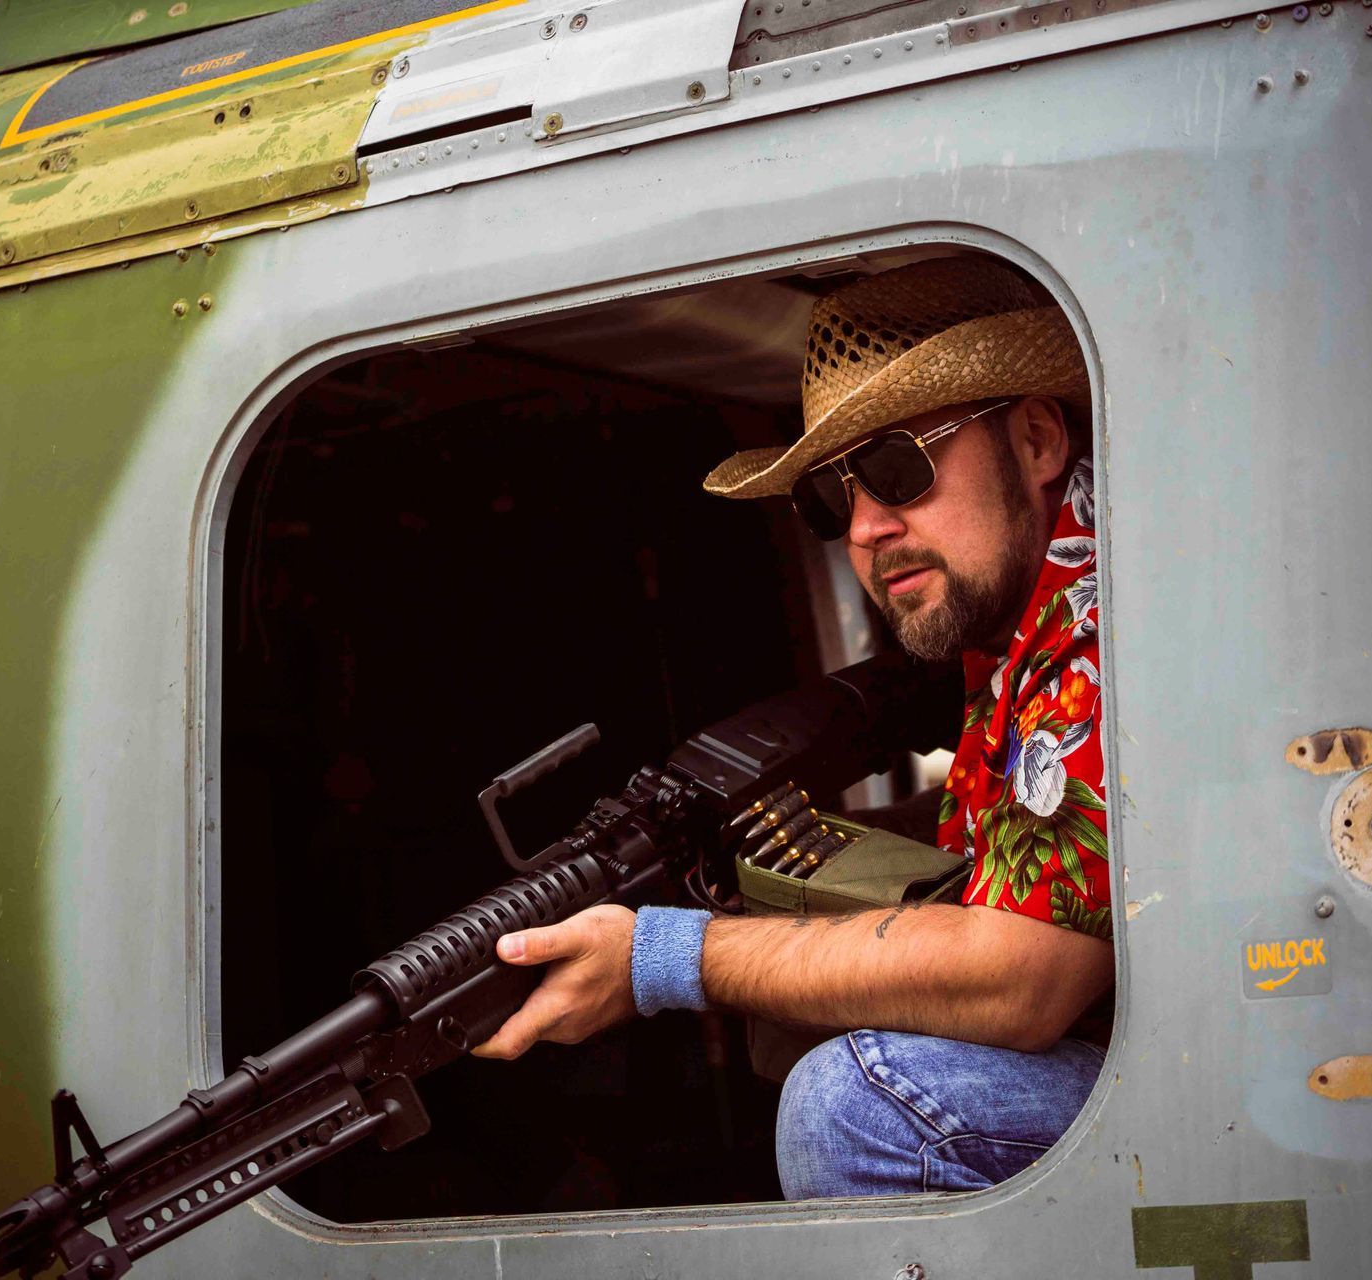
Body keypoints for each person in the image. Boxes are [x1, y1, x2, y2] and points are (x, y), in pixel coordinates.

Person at [471, 256, 1116, 1199]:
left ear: (1035, 438)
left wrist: (666, 955)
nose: (864, 528)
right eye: (833, 496)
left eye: (898, 467)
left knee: (855, 1104)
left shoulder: (1091, 619)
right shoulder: (1010, 635)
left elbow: (1023, 978)